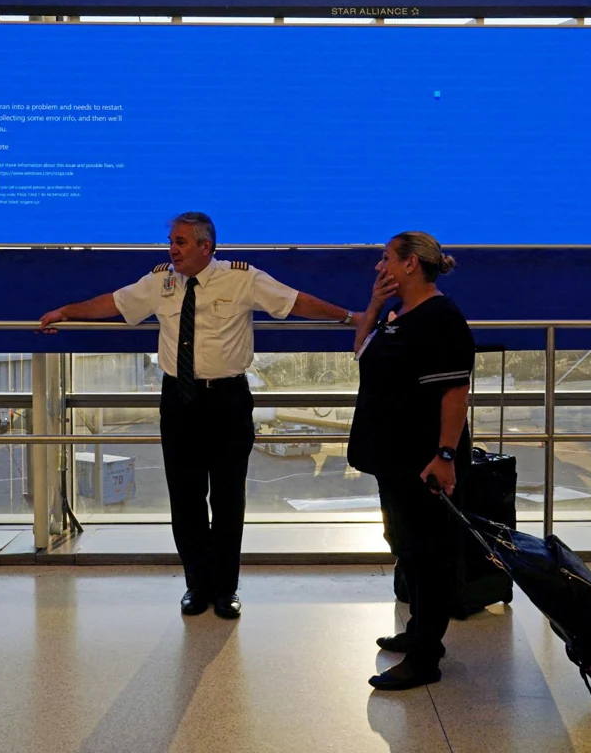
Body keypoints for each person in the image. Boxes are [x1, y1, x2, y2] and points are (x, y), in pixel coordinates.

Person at [38, 212, 356, 619]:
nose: (173, 248)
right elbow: (112, 303)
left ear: (207, 247)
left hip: (227, 400)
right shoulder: (161, 281)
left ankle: (225, 589)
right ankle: (196, 585)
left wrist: (350, 317)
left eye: (182, 242)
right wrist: (65, 311)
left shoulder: (242, 278)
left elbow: (295, 302)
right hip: (179, 402)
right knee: (185, 498)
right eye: (171, 240)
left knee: (227, 498)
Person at [347, 231, 475, 690]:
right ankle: (418, 629)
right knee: (408, 548)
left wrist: (444, 455)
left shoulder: (440, 318)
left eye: (385, 259)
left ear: (409, 265)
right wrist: (374, 307)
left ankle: (426, 654)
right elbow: (360, 352)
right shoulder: (401, 315)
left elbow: (455, 393)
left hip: (423, 459)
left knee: (430, 552)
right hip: (393, 456)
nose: (379, 267)